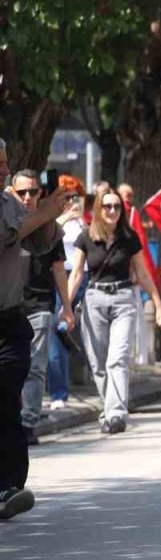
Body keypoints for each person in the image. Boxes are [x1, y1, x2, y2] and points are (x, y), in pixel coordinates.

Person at [1, 139, 72, 521]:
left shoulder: (12, 204)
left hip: (11, 320)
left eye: (5, 162)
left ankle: (9, 486)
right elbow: (7, 234)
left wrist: (50, 214)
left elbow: (43, 245)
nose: (2, 168)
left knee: (7, 396)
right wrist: (39, 211)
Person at [67, 187, 161, 434]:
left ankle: (115, 414)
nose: (112, 211)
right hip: (94, 300)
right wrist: (66, 307)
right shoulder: (85, 238)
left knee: (118, 358)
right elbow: (77, 274)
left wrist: (158, 306)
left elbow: (143, 274)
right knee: (99, 363)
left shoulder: (130, 237)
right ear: (98, 210)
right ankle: (109, 408)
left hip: (124, 299)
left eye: (116, 207)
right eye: (107, 206)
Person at [8, 172, 75, 446]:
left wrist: (67, 307)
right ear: (11, 192)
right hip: (10, 307)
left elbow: (59, 269)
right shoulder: (7, 223)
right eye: (21, 192)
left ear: (40, 193)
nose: (27, 197)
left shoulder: (47, 227)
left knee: (35, 366)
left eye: (33, 192)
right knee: (11, 367)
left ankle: (28, 422)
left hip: (39, 305)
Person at [47, 177, 85, 411]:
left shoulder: (87, 222)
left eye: (75, 196)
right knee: (57, 330)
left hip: (82, 277)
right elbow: (46, 237)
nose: (71, 202)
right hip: (59, 276)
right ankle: (58, 392)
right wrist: (64, 218)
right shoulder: (53, 220)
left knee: (76, 331)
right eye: (66, 196)